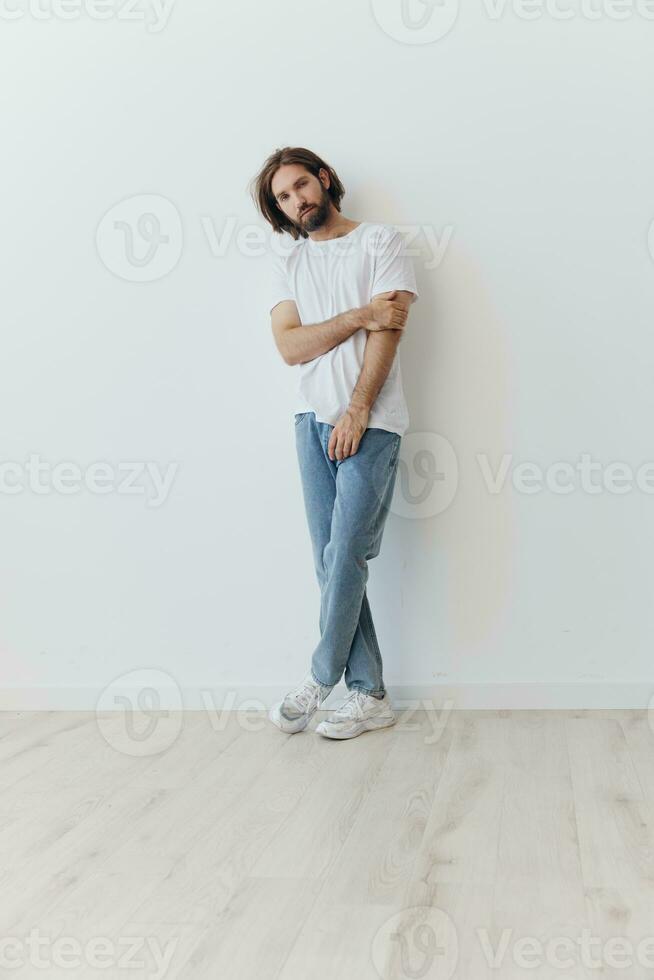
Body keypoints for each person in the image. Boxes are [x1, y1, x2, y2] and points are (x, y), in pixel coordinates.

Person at [250, 146, 418, 740]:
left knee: (346, 553)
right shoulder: (285, 260)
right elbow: (291, 348)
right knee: (330, 562)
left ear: (324, 179)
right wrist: (356, 316)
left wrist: (358, 407)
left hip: (369, 421)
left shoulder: (379, 242)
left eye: (301, 186)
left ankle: (320, 677)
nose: (297, 201)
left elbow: (390, 326)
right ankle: (369, 696)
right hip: (309, 422)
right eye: (284, 198)